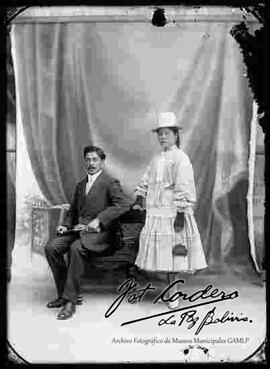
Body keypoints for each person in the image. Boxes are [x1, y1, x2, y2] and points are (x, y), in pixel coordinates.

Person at [45, 145, 132, 320]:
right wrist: (65, 225)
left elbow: (124, 204)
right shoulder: (80, 185)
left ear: (102, 161)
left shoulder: (110, 183)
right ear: (84, 161)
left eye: (95, 159)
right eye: (88, 159)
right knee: (51, 247)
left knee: (76, 248)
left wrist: (99, 219)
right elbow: (73, 212)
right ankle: (65, 294)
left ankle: (70, 302)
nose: (91, 163)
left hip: (101, 235)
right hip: (77, 231)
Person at [133, 112, 207, 308]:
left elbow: (184, 186)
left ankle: (173, 292)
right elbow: (146, 181)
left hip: (173, 211)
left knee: (175, 253)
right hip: (156, 210)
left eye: (167, 133)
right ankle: (168, 289)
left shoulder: (181, 158)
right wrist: (140, 197)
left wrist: (181, 214)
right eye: (160, 133)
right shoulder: (156, 158)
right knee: (163, 252)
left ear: (176, 135)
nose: (162, 137)